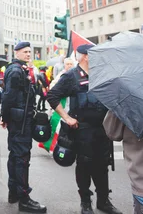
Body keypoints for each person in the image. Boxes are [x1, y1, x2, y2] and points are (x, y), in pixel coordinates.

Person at [47, 45, 122, 214]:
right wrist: (66, 117)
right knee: (85, 165)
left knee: (102, 165)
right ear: (86, 57)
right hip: (82, 130)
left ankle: (103, 201)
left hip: (102, 130)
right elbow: (52, 96)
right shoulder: (71, 76)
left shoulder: (101, 74)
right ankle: (86, 203)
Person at [1, 42, 47, 213]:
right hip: (20, 121)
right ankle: (24, 199)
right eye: (25, 52)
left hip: (19, 119)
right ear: (17, 53)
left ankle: (14, 192)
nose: (29, 54)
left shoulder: (21, 69)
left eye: (30, 52)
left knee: (15, 156)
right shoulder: (15, 70)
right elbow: (8, 96)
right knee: (22, 158)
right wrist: (4, 117)